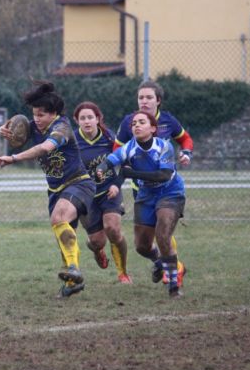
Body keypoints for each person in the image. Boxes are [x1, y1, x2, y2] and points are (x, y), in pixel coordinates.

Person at [0, 81, 96, 298]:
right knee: (63, 238)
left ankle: (74, 269)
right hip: (55, 189)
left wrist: (13, 158)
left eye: (41, 115)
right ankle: (72, 282)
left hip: (79, 183)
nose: (36, 119)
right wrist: (3, 129)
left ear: (54, 113)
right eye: (34, 114)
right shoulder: (35, 125)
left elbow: (44, 148)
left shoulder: (62, 128)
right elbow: (13, 131)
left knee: (59, 218)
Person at [97, 110, 186, 297]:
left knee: (162, 235)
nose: (136, 125)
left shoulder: (164, 146)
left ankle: (173, 286)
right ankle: (161, 263)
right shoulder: (129, 147)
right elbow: (112, 160)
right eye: (134, 123)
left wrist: (132, 174)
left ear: (153, 128)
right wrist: (101, 169)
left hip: (170, 192)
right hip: (146, 194)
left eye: (141, 122)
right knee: (142, 246)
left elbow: (164, 175)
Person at [114, 80, 192, 288]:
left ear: (158, 100)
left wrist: (186, 153)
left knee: (163, 230)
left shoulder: (168, 121)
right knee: (142, 244)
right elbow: (116, 150)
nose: (144, 101)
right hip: (141, 190)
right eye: (141, 97)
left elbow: (185, 139)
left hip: (166, 187)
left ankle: (172, 272)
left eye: (149, 97)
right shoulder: (129, 122)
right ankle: (163, 263)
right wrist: (120, 169)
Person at [72, 101, 131, 284]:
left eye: (90, 117)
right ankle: (97, 250)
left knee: (113, 229)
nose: (87, 121)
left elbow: (125, 164)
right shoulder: (71, 141)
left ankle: (123, 273)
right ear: (77, 121)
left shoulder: (110, 138)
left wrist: (117, 185)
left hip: (109, 191)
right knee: (97, 241)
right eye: (82, 118)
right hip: (86, 196)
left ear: (98, 119)